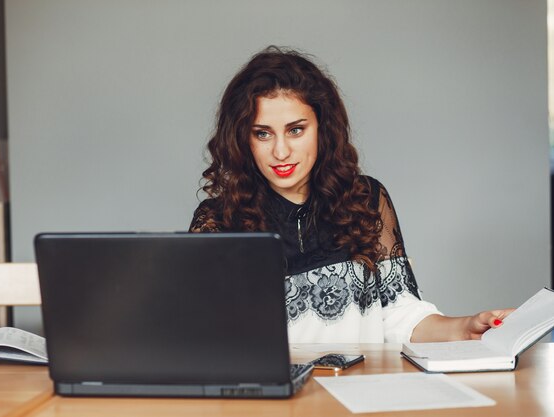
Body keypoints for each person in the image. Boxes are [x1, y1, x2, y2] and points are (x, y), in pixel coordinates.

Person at [189, 46, 512, 343]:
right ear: (243, 139)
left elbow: (401, 314)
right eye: (262, 134)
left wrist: (467, 326)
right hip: (271, 404)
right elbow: (204, 337)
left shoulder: (366, 200)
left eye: (296, 130)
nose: (281, 151)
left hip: (359, 397)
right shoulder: (218, 220)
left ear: (323, 129)